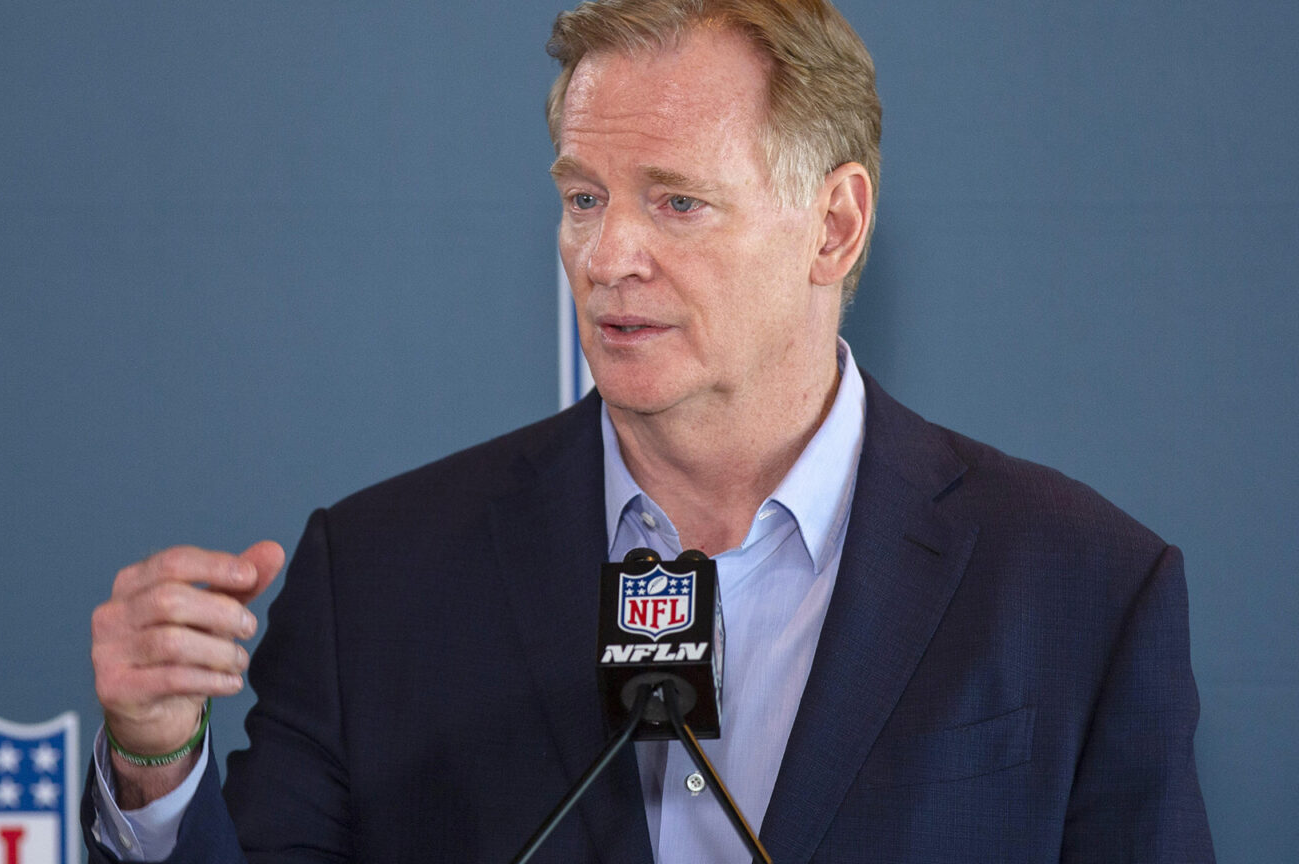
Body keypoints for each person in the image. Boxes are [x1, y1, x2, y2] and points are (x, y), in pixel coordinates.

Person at [84, 1, 1215, 861]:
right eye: (584, 197)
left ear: (833, 225)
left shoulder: (1080, 588)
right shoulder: (378, 577)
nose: (607, 254)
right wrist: (153, 760)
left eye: (675, 201)